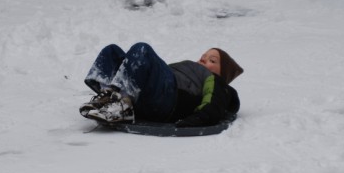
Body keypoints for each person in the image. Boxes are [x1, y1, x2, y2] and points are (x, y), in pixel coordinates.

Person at [79, 42, 243, 126]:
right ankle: (110, 97)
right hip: (147, 97)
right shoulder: (187, 68)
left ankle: (123, 106)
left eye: (212, 60)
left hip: (169, 99)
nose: (204, 60)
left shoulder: (214, 79)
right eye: (203, 57)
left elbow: (215, 99)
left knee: (142, 49)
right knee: (112, 51)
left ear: (222, 74)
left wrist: (200, 118)